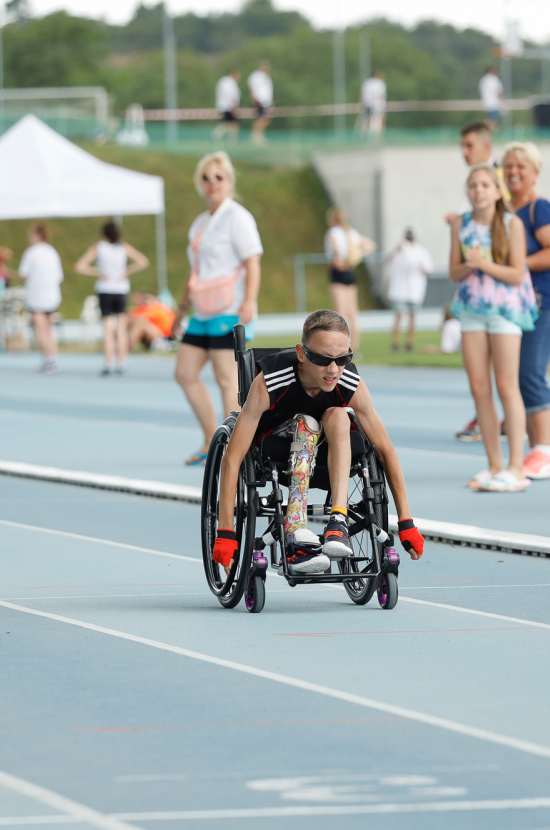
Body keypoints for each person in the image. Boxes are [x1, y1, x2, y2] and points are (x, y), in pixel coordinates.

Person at [212, 309, 424, 574]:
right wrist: (225, 531)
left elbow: (385, 450)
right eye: (323, 359)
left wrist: (406, 521)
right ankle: (295, 529)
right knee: (307, 423)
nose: (333, 370)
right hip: (277, 444)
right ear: (301, 354)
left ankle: (338, 521)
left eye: (343, 358)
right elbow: (232, 457)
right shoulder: (269, 382)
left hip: (330, 448)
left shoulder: (350, 382)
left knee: (339, 415)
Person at [452, 164, 537, 493]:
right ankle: (494, 465)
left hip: (505, 310)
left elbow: (517, 273)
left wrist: (483, 263)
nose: (478, 190)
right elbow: (454, 271)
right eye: (473, 185)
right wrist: (469, 264)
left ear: (498, 191)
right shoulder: (460, 224)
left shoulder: (511, 223)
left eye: (485, 185)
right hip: (471, 309)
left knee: (506, 385)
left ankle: (516, 467)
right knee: (479, 388)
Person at [174, 151, 262, 466]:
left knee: (227, 379)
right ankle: (211, 438)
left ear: (229, 181)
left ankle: (233, 450)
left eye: (219, 177)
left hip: (229, 307)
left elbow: (253, 262)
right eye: (206, 178)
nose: (212, 183)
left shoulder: (238, 217)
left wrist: (249, 300)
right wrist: (181, 309)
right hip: (202, 310)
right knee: (184, 373)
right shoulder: (201, 222)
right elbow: (195, 270)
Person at [502, 141, 550, 481]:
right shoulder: (505, 210)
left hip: (544, 302)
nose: (513, 172)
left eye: (521, 166)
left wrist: (518, 265)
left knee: (531, 373)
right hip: (515, 305)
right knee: (517, 377)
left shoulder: (540, 208)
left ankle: (546, 452)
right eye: (509, 166)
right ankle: (535, 451)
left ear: (535, 173)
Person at [451, 121, 510, 442]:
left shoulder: (498, 179)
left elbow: (506, 227)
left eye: (469, 145)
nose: (464, 151)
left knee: (505, 377)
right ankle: (489, 422)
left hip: (500, 293)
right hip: (473, 292)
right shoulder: (475, 185)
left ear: (487, 146)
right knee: (480, 377)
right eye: (462, 145)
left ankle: (511, 430)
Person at [74, 220, 150, 376]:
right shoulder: (123, 247)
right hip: (120, 289)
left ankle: (109, 363)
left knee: (107, 328)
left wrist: (98, 272)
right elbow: (143, 261)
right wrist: (126, 271)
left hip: (105, 289)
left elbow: (80, 266)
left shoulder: (99, 247)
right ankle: (122, 363)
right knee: (121, 328)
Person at [324, 209, 376, 353]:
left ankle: (342, 348)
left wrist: (343, 259)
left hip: (338, 272)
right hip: (350, 272)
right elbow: (371, 246)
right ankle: (355, 347)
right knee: (353, 314)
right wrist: (356, 256)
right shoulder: (351, 232)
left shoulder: (332, 233)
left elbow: (335, 253)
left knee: (340, 314)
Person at [17, 222, 64, 374]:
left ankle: (47, 360)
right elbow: (59, 276)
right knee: (49, 330)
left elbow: (23, 274)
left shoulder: (31, 253)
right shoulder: (52, 252)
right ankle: (52, 358)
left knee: (41, 330)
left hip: (37, 295)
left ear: (37, 235)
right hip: (51, 295)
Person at [384, 227, 434, 352]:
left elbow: (428, 270)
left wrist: (420, 267)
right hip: (399, 289)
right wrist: (397, 249)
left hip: (414, 289)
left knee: (412, 316)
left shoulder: (421, 251)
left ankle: (409, 343)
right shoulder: (399, 250)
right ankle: (395, 343)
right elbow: (387, 262)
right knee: (398, 316)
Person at [248, 61, 273, 145]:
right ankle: (256, 136)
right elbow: (253, 88)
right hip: (260, 101)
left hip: (266, 101)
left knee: (265, 119)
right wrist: (255, 99)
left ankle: (259, 135)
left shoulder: (266, 77)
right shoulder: (256, 76)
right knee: (261, 118)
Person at [214, 70, 241, 141]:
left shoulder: (224, 81)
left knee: (229, 123)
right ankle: (220, 136)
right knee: (232, 123)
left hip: (224, 105)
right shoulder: (229, 82)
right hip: (228, 106)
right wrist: (233, 106)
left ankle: (224, 137)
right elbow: (230, 95)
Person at [360, 71, 387, 138]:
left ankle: (365, 135)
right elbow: (381, 95)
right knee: (381, 119)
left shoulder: (367, 83)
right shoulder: (380, 83)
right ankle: (380, 136)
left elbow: (363, 94)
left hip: (368, 104)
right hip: (378, 105)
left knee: (369, 119)